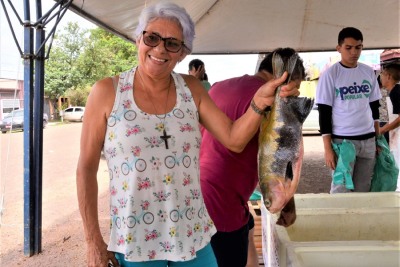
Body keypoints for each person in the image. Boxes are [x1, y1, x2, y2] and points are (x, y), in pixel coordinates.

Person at [76, 3, 300, 267]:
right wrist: (93, 241)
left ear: (182, 53)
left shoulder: (191, 89)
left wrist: (258, 103)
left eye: (172, 44)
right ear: (139, 38)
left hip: (193, 237)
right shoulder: (107, 92)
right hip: (137, 240)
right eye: (152, 38)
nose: (160, 49)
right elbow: (86, 169)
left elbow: (234, 139)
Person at [200, 48, 304, 267]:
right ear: (287, 79)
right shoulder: (272, 100)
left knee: (246, 229)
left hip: (199, 189)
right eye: (297, 86)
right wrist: (286, 202)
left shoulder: (220, 86)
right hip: (222, 200)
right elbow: (282, 160)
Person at [316, 27, 382, 193]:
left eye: (358, 47)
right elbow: (324, 112)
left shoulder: (368, 72)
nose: (354, 52)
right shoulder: (330, 74)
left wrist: (377, 138)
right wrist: (327, 149)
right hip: (343, 142)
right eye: (349, 47)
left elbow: (374, 106)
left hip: (367, 141)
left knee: (363, 190)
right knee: (341, 190)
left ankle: (359, 219)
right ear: (339, 48)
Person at [378, 64, 400, 191]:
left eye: (382, 74)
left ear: (389, 76)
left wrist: (383, 129)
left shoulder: (396, 92)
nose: (381, 77)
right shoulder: (394, 91)